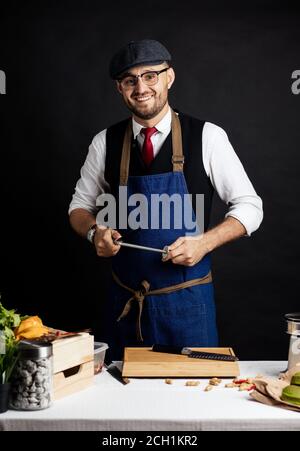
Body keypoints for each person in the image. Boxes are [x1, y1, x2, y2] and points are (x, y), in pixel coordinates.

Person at [69, 39, 263, 360]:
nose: (141, 87)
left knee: (190, 403)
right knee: (119, 404)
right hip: (125, 305)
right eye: (130, 80)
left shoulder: (207, 136)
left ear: (168, 78)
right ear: (120, 88)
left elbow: (250, 207)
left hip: (188, 305)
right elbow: (79, 208)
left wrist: (204, 242)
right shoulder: (105, 142)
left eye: (150, 76)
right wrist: (94, 233)